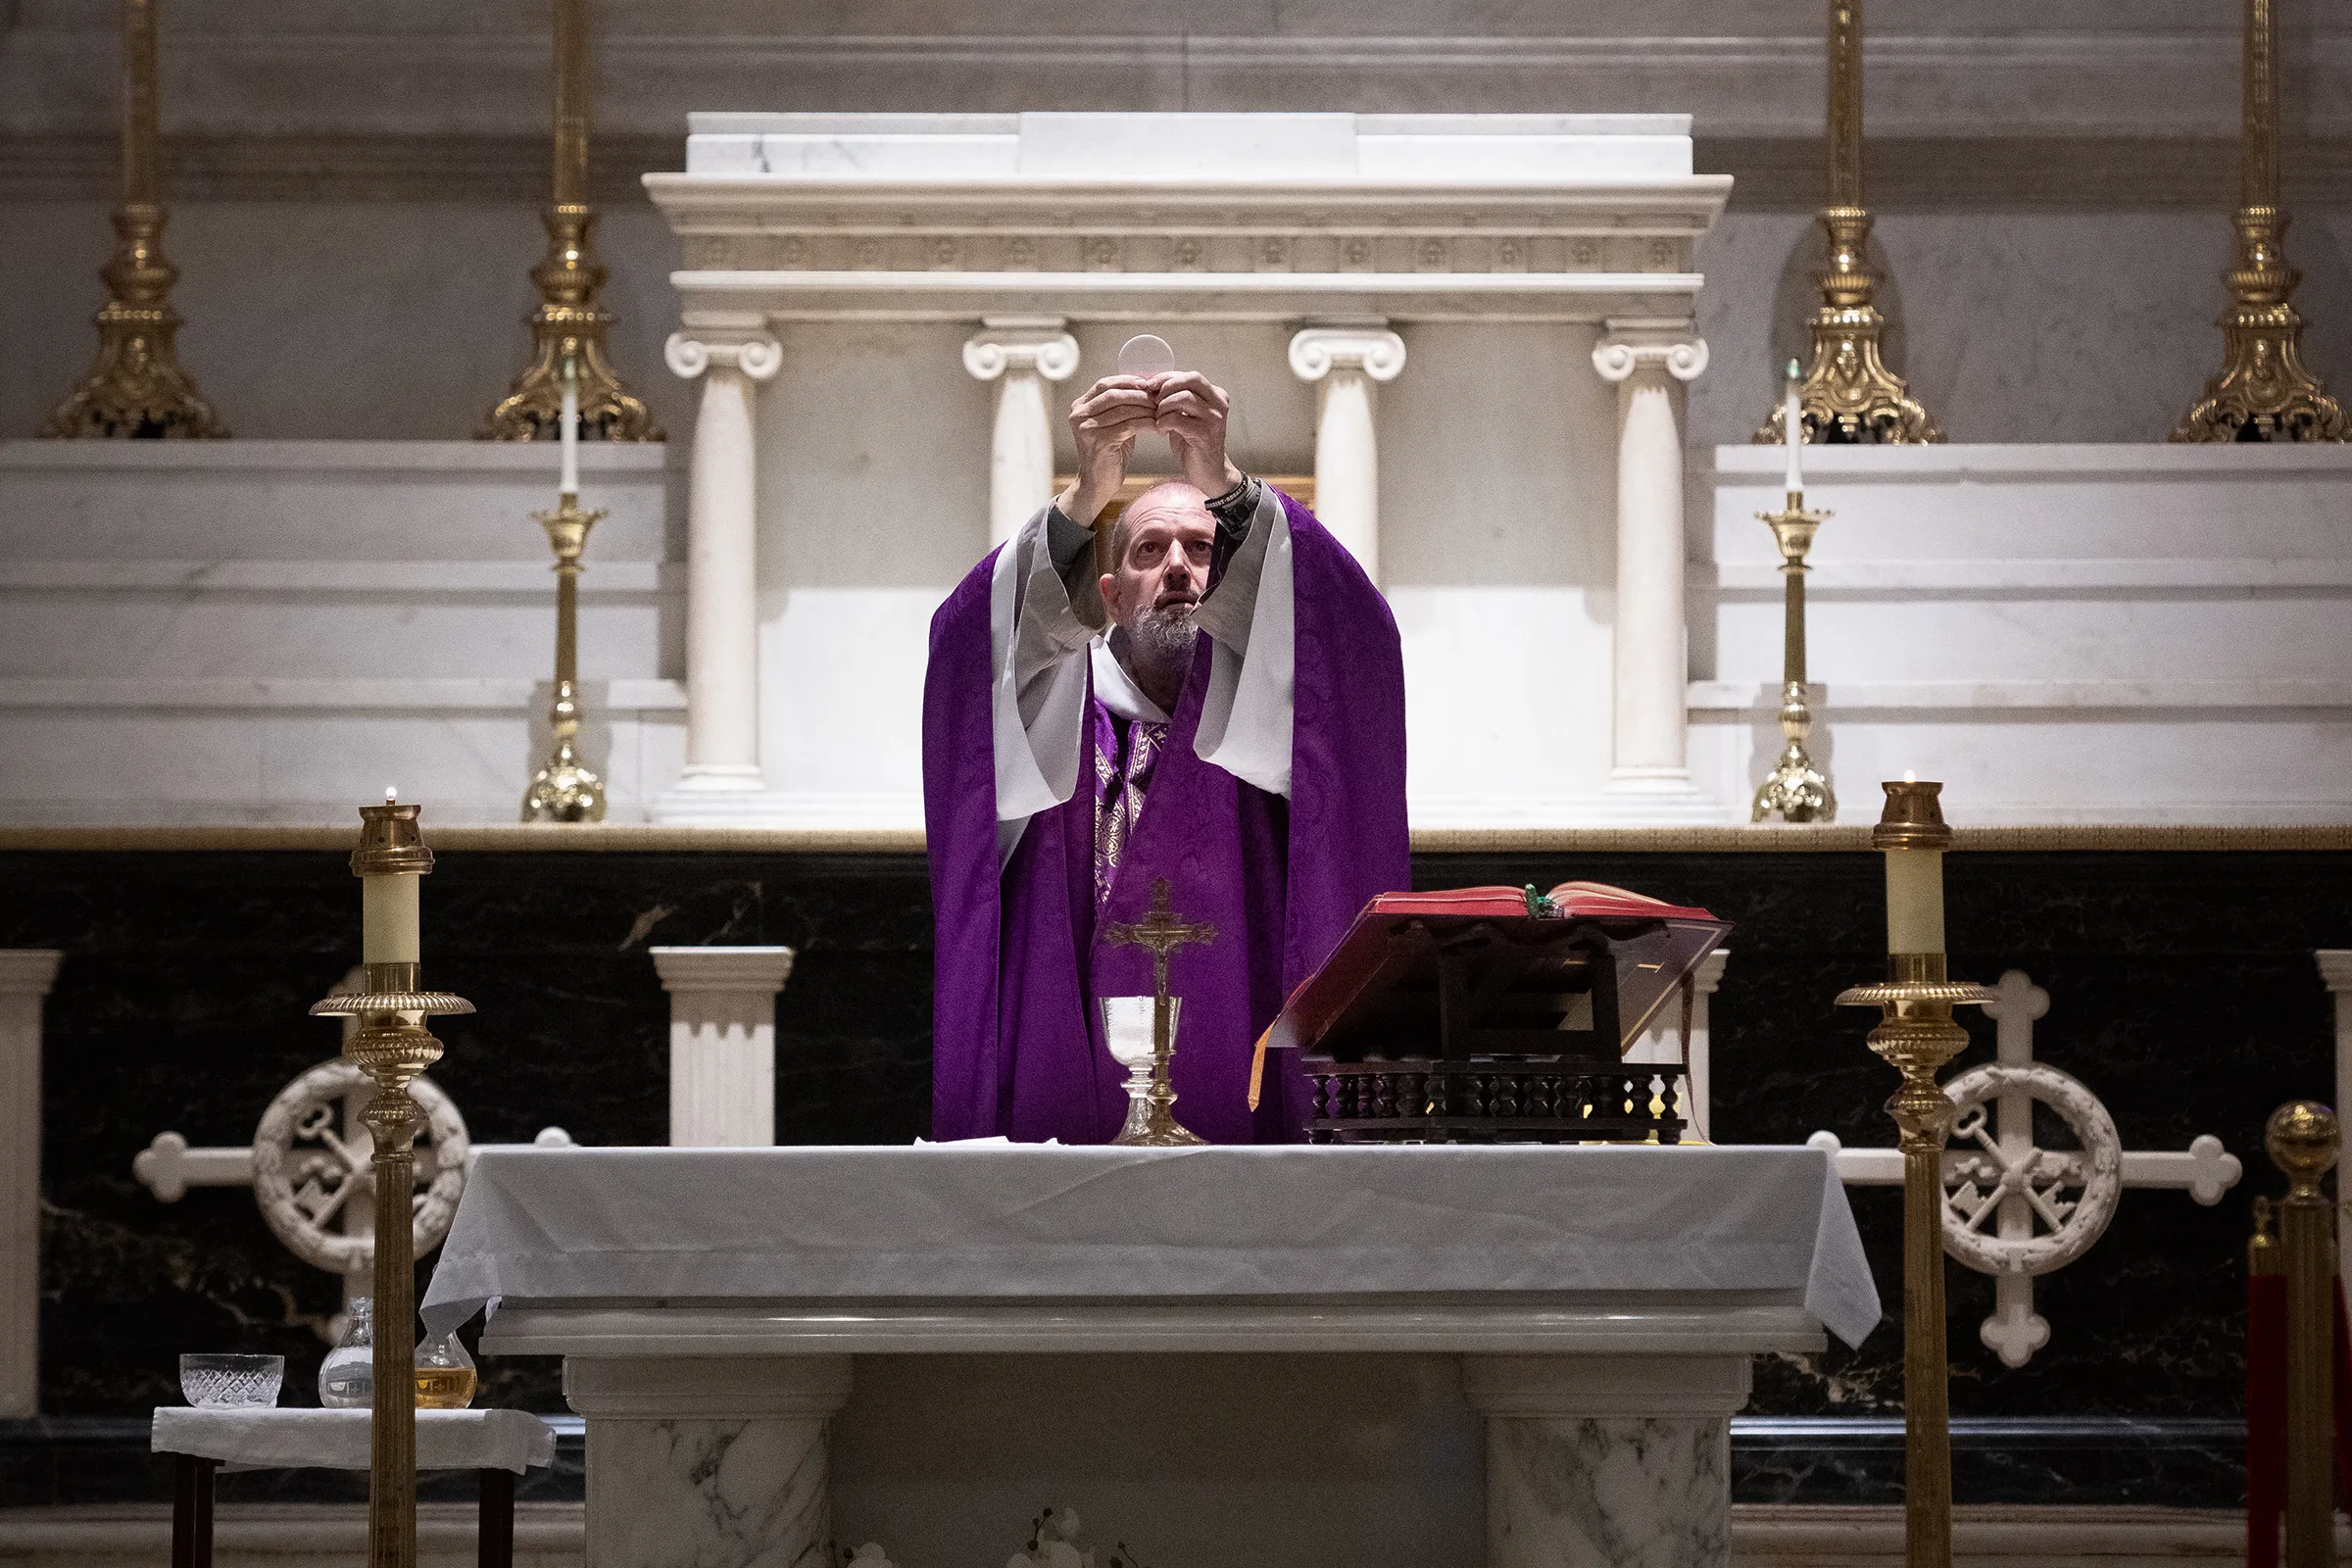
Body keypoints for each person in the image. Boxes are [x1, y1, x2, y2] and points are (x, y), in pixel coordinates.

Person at [923, 366, 1407, 1142]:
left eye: (1202, 549)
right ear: (1107, 594)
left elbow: (1349, 647)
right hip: (1070, 1102)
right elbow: (970, 656)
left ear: (1241, 587)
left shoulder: (1273, 726)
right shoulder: (1047, 720)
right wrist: (1084, 496)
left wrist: (1222, 478)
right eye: (1150, 549)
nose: (1179, 567)